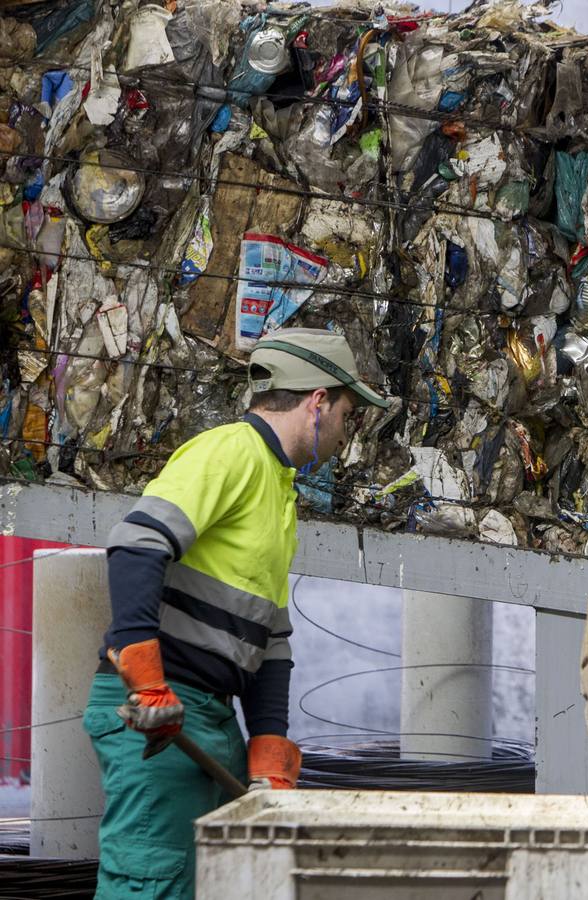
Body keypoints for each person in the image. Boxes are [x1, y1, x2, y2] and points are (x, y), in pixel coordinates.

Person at [84, 328, 389, 899]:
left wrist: (269, 745)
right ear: (317, 402)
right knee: (152, 884)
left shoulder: (279, 490)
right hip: (159, 713)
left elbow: (270, 638)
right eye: (348, 416)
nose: (346, 436)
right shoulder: (230, 452)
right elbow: (136, 544)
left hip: (205, 719)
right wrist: (146, 677)